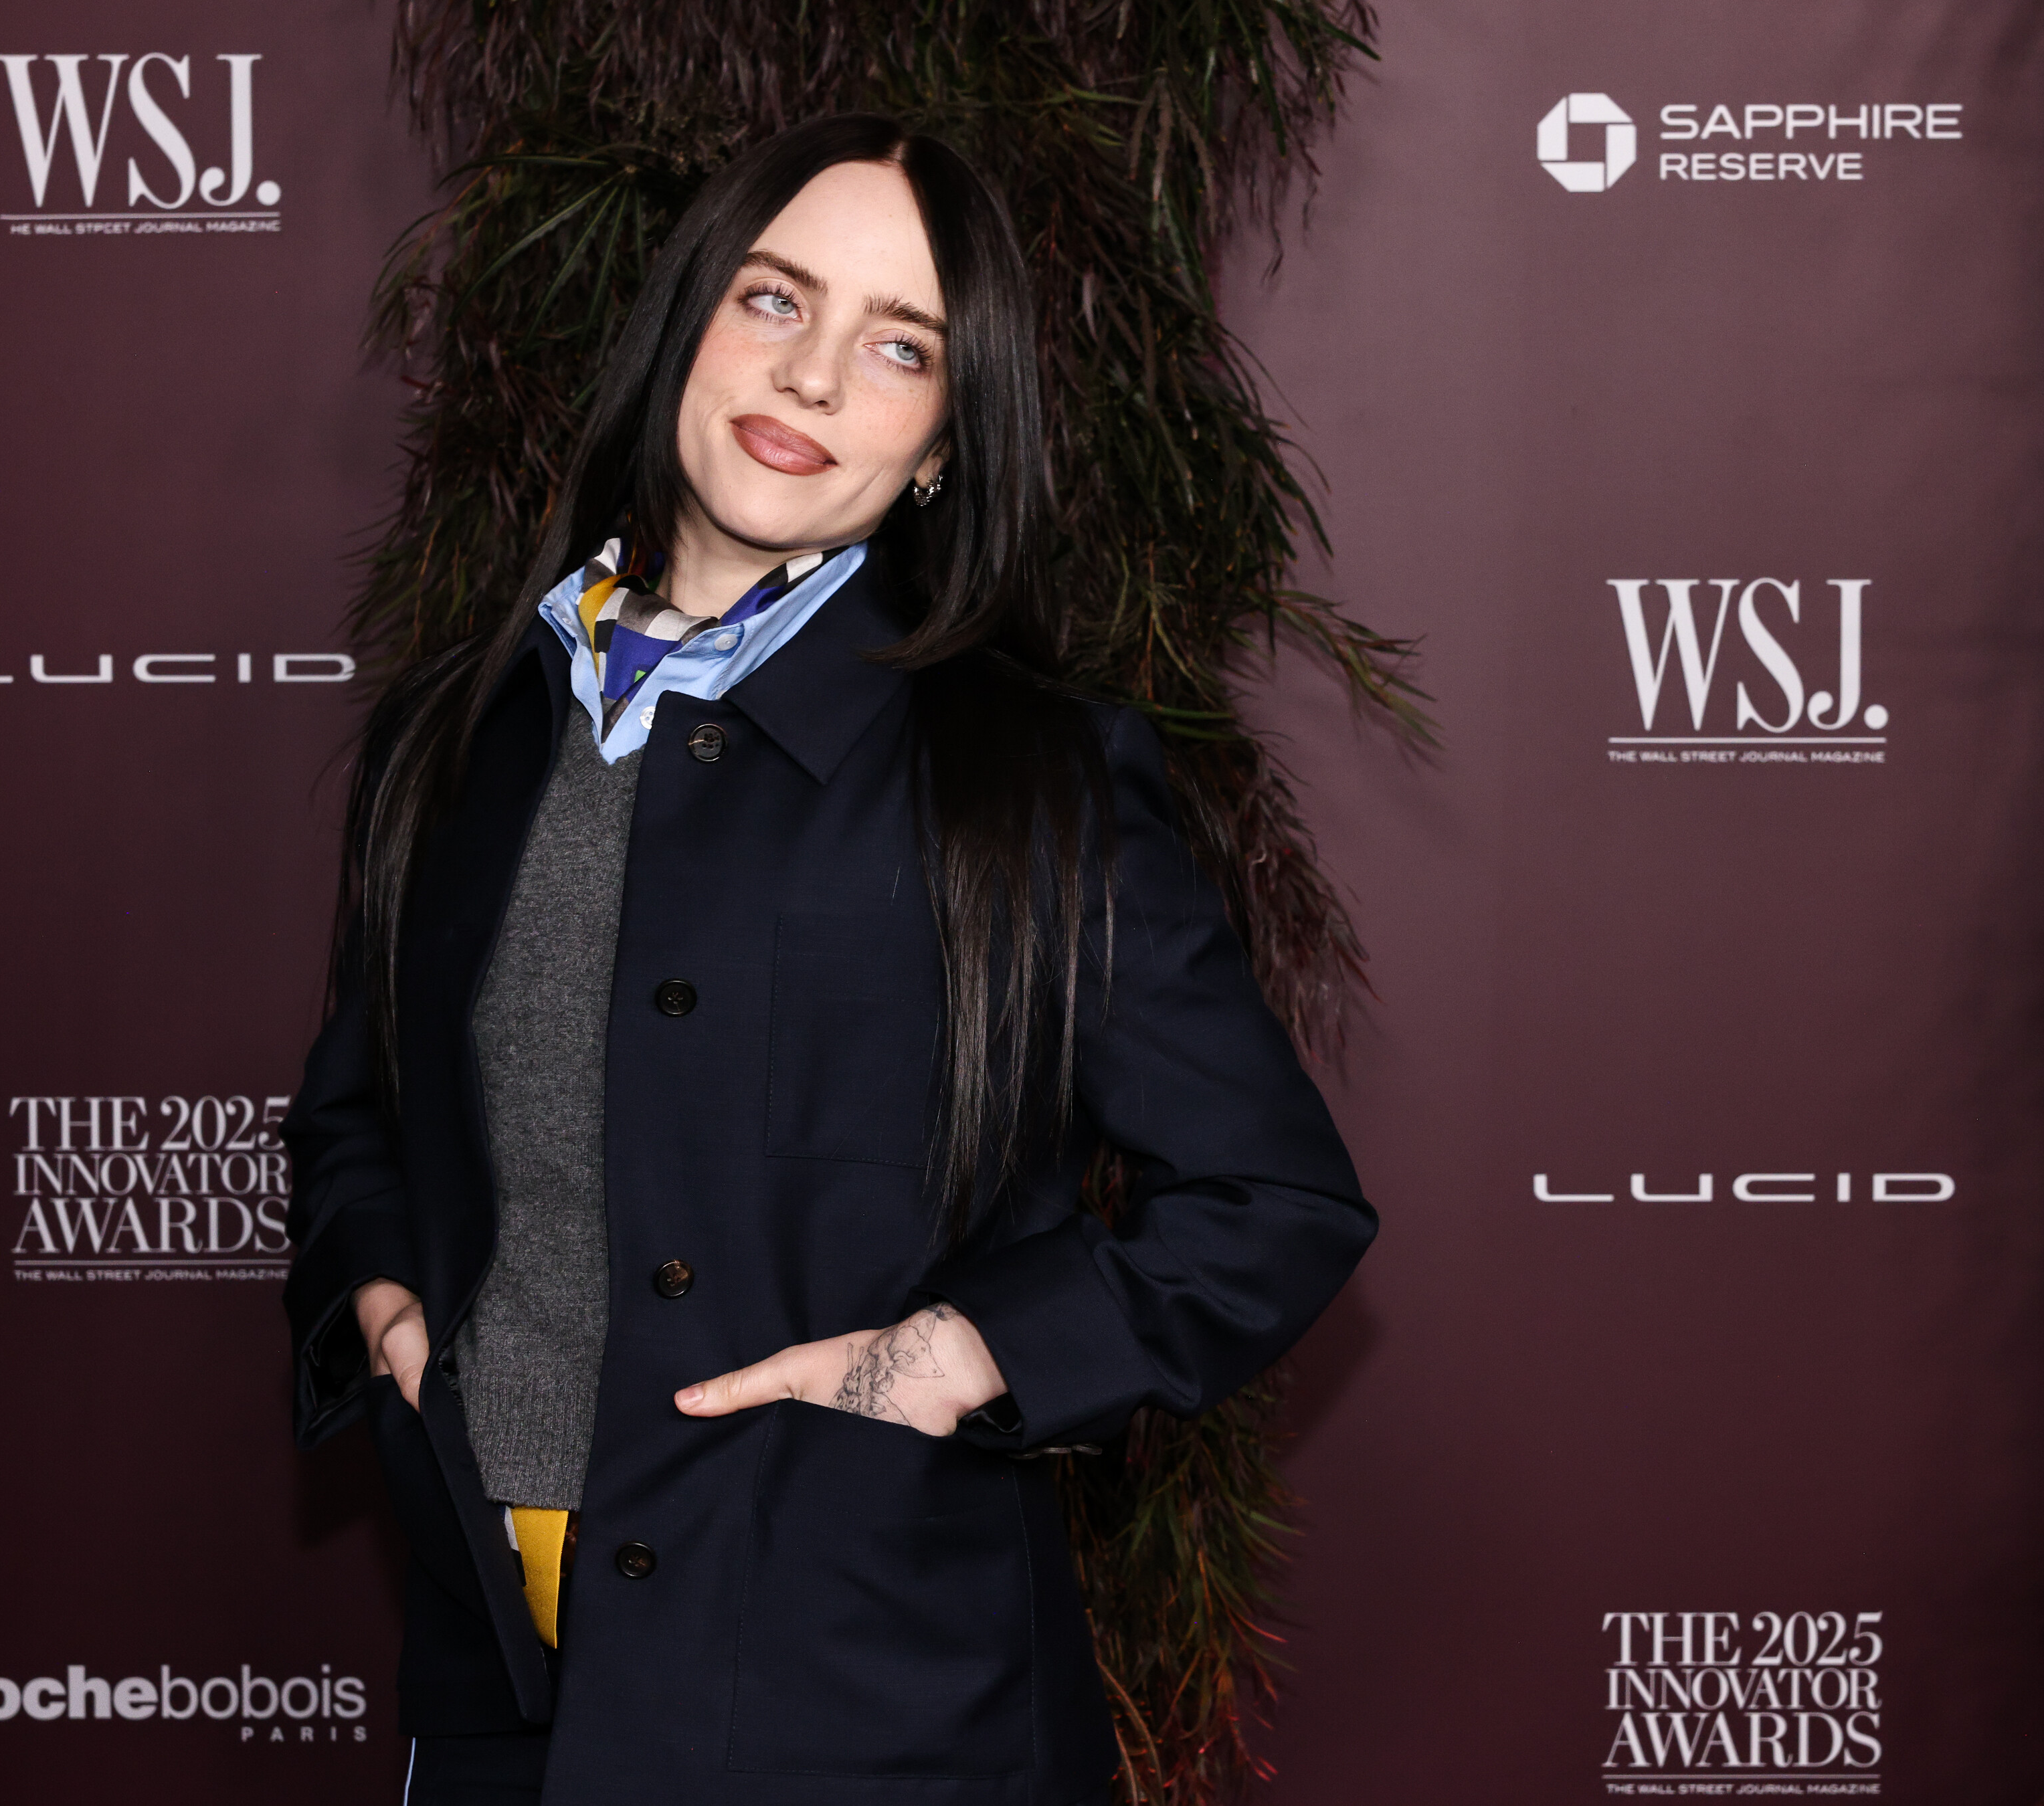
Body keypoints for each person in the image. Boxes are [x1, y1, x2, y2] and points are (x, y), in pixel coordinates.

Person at [282, 112, 1376, 1806]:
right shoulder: (458, 727)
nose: (810, 378)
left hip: (870, 1697)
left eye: (899, 347)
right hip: (499, 1685)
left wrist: (943, 1359)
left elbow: (1272, 1199)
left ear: (941, 440)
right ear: (688, 322)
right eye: (775, 300)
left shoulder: (1027, 774)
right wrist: (386, 1302)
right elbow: (359, 1105)